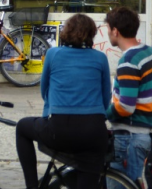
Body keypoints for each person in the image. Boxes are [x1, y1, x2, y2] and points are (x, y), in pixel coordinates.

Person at [16, 14, 111, 189]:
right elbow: (106, 99)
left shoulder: (53, 54)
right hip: (94, 132)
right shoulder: (100, 58)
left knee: (22, 127)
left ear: (66, 32)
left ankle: (31, 186)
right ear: (91, 34)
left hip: (60, 129)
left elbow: (44, 91)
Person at [105, 7, 152, 187]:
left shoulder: (128, 61)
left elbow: (126, 107)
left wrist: (106, 114)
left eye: (108, 29)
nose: (107, 33)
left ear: (115, 31)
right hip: (141, 136)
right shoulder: (151, 53)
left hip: (127, 137)